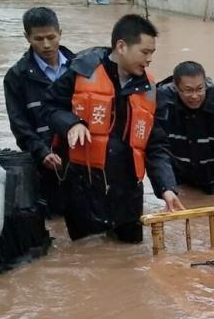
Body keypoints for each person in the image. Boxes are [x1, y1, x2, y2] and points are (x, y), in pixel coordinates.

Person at [40, 14, 184, 243]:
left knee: (129, 258)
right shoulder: (82, 70)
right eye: (145, 52)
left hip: (128, 192)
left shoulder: (149, 87)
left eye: (152, 54)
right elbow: (49, 107)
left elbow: (155, 144)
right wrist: (72, 123)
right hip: (83, 187)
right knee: (88, 259)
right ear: (121, 46)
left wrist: (166, 187)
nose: (149, 60)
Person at [3, 7, 74, 216]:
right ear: (27, 37)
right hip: (44, 164)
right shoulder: (17, 77)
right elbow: (19, 125)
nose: (46, 45)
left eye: (51, 37)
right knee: (54, 220)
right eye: (38, 38)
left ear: (60, 32)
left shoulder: (80, 67)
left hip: (81, 161)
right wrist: (42, 152)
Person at [156, 61, 214, 203]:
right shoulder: (162, 102)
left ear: (205, 84)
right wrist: (166, 186)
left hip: (213, 176)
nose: (195, 96)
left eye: (200, 89)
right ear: (176, 87)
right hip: (179, 172)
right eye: (188, 90)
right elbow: (157, 149)